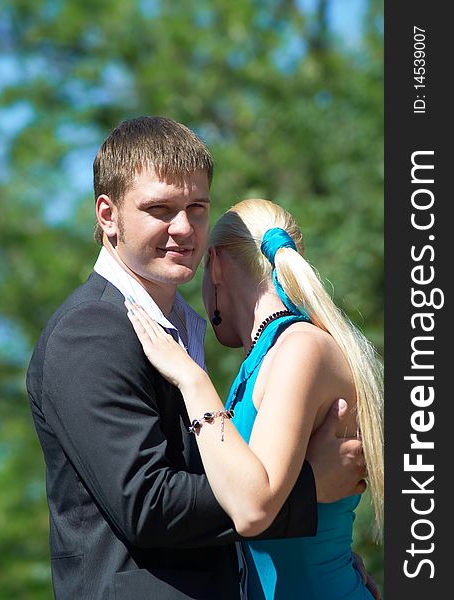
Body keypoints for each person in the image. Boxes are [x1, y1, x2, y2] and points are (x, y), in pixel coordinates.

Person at [26, 116, 369, 600]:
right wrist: (305, 491)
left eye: (197, 208)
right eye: (160, 209)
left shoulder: (185, 329)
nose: (184, 228)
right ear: (107, 215)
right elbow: (146, 503)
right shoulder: (91, 331)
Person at [126, 197, 384, 599]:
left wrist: (192, 380)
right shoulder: (264, 360)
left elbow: (251, 510)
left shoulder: (300, 349)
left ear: (215, 264)